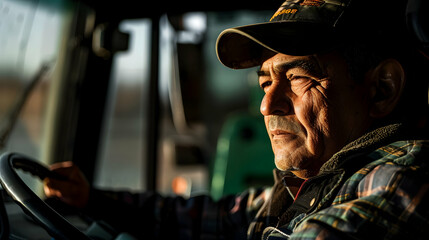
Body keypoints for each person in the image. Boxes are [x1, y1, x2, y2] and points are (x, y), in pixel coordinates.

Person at [44, 0, 429, 239]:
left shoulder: (401, 182)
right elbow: (220, 219)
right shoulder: (309, 185)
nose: (267, 105)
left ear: (382, 89)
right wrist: (94, 200)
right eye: (265, 83)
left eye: (296, 77)